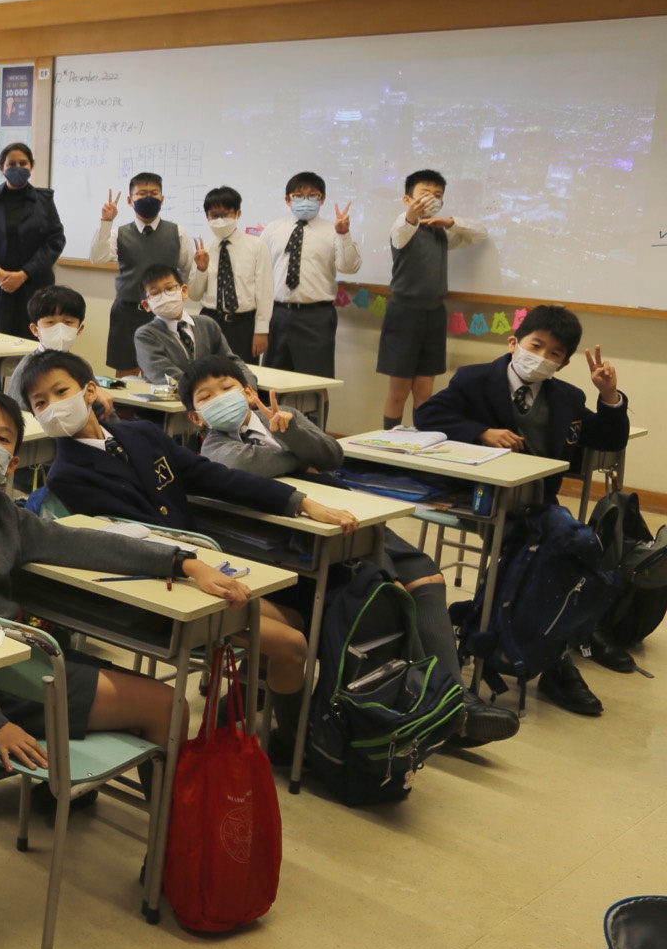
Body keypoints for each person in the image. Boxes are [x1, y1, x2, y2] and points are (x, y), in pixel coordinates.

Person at [0, 388, 242, 771]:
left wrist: (181, 562)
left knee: (159, 702)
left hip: (21, 657)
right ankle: (160, 812)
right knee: (169, 707)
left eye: (2, 438)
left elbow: (79, 544)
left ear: (12, 462)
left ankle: (109, 801)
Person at [27, 349, 360, 759]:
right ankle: (297, 749)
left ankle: (233, 717)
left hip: (199, 567)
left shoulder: (141, 434)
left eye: (61, 392)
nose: (53, 407)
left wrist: (299, 501)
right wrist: (190, 564)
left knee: (295, 620)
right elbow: (132, 538)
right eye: (40, 402)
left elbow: (212, 476)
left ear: (90, 390)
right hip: (157, 586)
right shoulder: (67, 474)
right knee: (291, 644)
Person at [181, 354, 519, 748]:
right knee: (388, 587)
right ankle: (435, 706)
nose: (221, 398)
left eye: (227, 388)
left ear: (248, 391)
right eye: (207, 397)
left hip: (346, 515)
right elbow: (249, 468)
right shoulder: (214, 446)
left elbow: (332, 455)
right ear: (196, 417)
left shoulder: (285, 415)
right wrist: (301, 451)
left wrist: (293, 435)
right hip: (297, 538)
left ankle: (451, 697)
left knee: (426, 575)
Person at [415, 304, 628, 713]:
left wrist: (609, 396)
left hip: (537, 503)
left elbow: (607, 438)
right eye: (536, 345)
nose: (542, 357)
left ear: (564, 364)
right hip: (480, 496)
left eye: (554, 353)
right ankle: (556, 656)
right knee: (565, 545)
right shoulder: (475, 379)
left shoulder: (567, 397)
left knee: (567, 545)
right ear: (514, 343)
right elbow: (427, 414)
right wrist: (481, 432)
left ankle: (505, 638)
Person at [379, 169, 488, 428]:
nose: (431, 198)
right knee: (399, 390)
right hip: (404, 314)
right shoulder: (402, 228)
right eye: (425, 193)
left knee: (425, 391)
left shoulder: (441, 231)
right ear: (408, 199)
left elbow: (480, 233)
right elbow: (403, 227)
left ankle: (422, 442)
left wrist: (449, 222)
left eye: (438, 195)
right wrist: (412, 214)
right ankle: (387, 441)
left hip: (435, 313)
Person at [90, 172, 192, 376]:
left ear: (162, 199)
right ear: (130, 200)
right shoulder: (118, 233)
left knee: (163, 374)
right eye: (142, 193)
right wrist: (106, 222)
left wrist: (176, 301)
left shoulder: (177, 232)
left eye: (154, 193)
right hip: (127, 313)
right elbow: (97, 258)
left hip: (165, 314)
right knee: (125, 374)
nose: (148, 198)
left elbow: (188, 269)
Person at [0, 142, 65, 338]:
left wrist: (24, 274)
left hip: (33, 284)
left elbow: (55, 240)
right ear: (1, 167)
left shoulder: (44, 201)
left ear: (31, 166)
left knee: (31, 342)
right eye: (11, 164)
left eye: (23, 163)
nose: (18, 168)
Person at [263, 172, 360, 378]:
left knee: (316, 379)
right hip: (277, 313)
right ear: (288, 200)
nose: (305, 201)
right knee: (273, 378)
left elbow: (349, 267)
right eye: (298, 196)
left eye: (313, 196)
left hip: (316, 316)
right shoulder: (273, 229)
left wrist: (343, 234)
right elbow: (260, 270)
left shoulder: (334, 230)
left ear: (322, 199)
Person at [186, 186, 271, 364]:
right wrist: (201, 269)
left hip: (243, 324)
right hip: (209, 321)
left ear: (238, 213)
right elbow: (194, 294)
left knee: (243, 373)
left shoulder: (256, 246)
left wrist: (261, 330)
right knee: (208, 372)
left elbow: (265, 292)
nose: (220, 220)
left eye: (226, 214)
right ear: (207, 217)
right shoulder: (205, 249)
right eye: (214, 215)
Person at [133, 262, 249, 391]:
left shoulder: (207, 325)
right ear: (146, 305)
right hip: (176, 401)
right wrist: (208, 393)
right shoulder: (146, 335)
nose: (164, 296)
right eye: (155, 293)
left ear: (184, 291)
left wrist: (248, 388)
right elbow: (165, 375)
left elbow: (232, 362)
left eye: (170, 288)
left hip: (214, 397)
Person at [4, 285, 87, 403]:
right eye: (50, 322)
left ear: (79, 329)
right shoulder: (26, 369)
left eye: (68, 322)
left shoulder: (81, 365)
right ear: (35, 329)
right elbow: (17, 409)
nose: (60, 329)